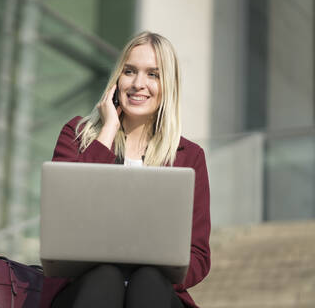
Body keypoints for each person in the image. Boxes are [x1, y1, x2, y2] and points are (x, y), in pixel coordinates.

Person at [48, 31, 210, 308]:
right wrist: (107, 130)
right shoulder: (76, 135)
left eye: (153, 75)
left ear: (168, 85)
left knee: (147, 281)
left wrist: (161, 268)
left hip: (157, 291)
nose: (138, 84)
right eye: (130, 71)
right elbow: (66, 212)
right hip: (84, 288)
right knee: (105, 277)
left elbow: (198, 255)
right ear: (116, 79)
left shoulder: (189, 156)